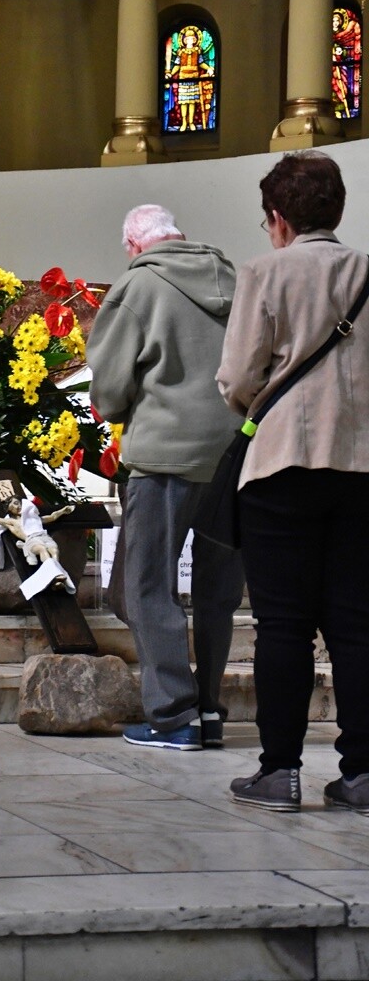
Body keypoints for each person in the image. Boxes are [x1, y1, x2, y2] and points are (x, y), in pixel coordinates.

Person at [217, 150, 369, 813]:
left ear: (277, 219)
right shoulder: (367, 272)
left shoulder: (264, 272)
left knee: (282, 624)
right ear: (335, 211)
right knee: (358, 626)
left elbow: (239, 378)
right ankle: (363, 774)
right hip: (362, 468)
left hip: (280, 465)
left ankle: (280, 772)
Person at [86, 204, 244, 750]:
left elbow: (107, 392)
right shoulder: (234, 279)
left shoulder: (138, 289)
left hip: (166, 459)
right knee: (218, 591)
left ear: (134, 244)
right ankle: (209, 709)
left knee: (144, 585)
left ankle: (173, 716)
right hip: (234, 456)